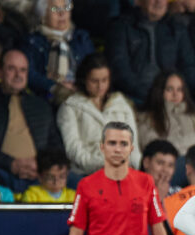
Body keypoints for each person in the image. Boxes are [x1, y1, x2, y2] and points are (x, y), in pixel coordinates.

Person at [0, 48, 64, 194]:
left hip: (40, 172)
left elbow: (55, 144)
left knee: (79, 183)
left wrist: (42, 165)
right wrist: (11, 163)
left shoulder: (41, 106)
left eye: (23, 70)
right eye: (12, 69)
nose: (18, 75)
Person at [104, 0, 195, 109]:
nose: (159, 1)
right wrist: (153, 96)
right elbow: (120, 70)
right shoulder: (121, 27)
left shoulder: (177, 28)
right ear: (139, 1)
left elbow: (189, 67)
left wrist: (177, 92)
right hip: (135, 97)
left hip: (174, 97)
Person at [57, 53, 141, 185]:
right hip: (86, 173)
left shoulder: (121, 104)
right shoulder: (70, 107)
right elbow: (73, 149)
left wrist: (133, 165)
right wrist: (105, 164)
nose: (100, 86)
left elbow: (133, 144)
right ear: (84, 79)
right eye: (94, 81)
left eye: (104, 80)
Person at [20, 0, 95, 103]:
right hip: (48, 98)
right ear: (42, 16)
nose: (62, 13)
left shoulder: (81, 38)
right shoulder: (32, 42)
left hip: (82, 93)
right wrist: (54, 86)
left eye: (66, 7)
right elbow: (29, 74)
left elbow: (94, 68)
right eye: (55, 9)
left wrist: (79, 86)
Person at [136, 71, 195, 158]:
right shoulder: (147, 117)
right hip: (170, 163)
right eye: (169, 89)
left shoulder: (194, 115)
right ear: (159, 91)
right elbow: (151, 147)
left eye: (179, 90)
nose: (175, 94)